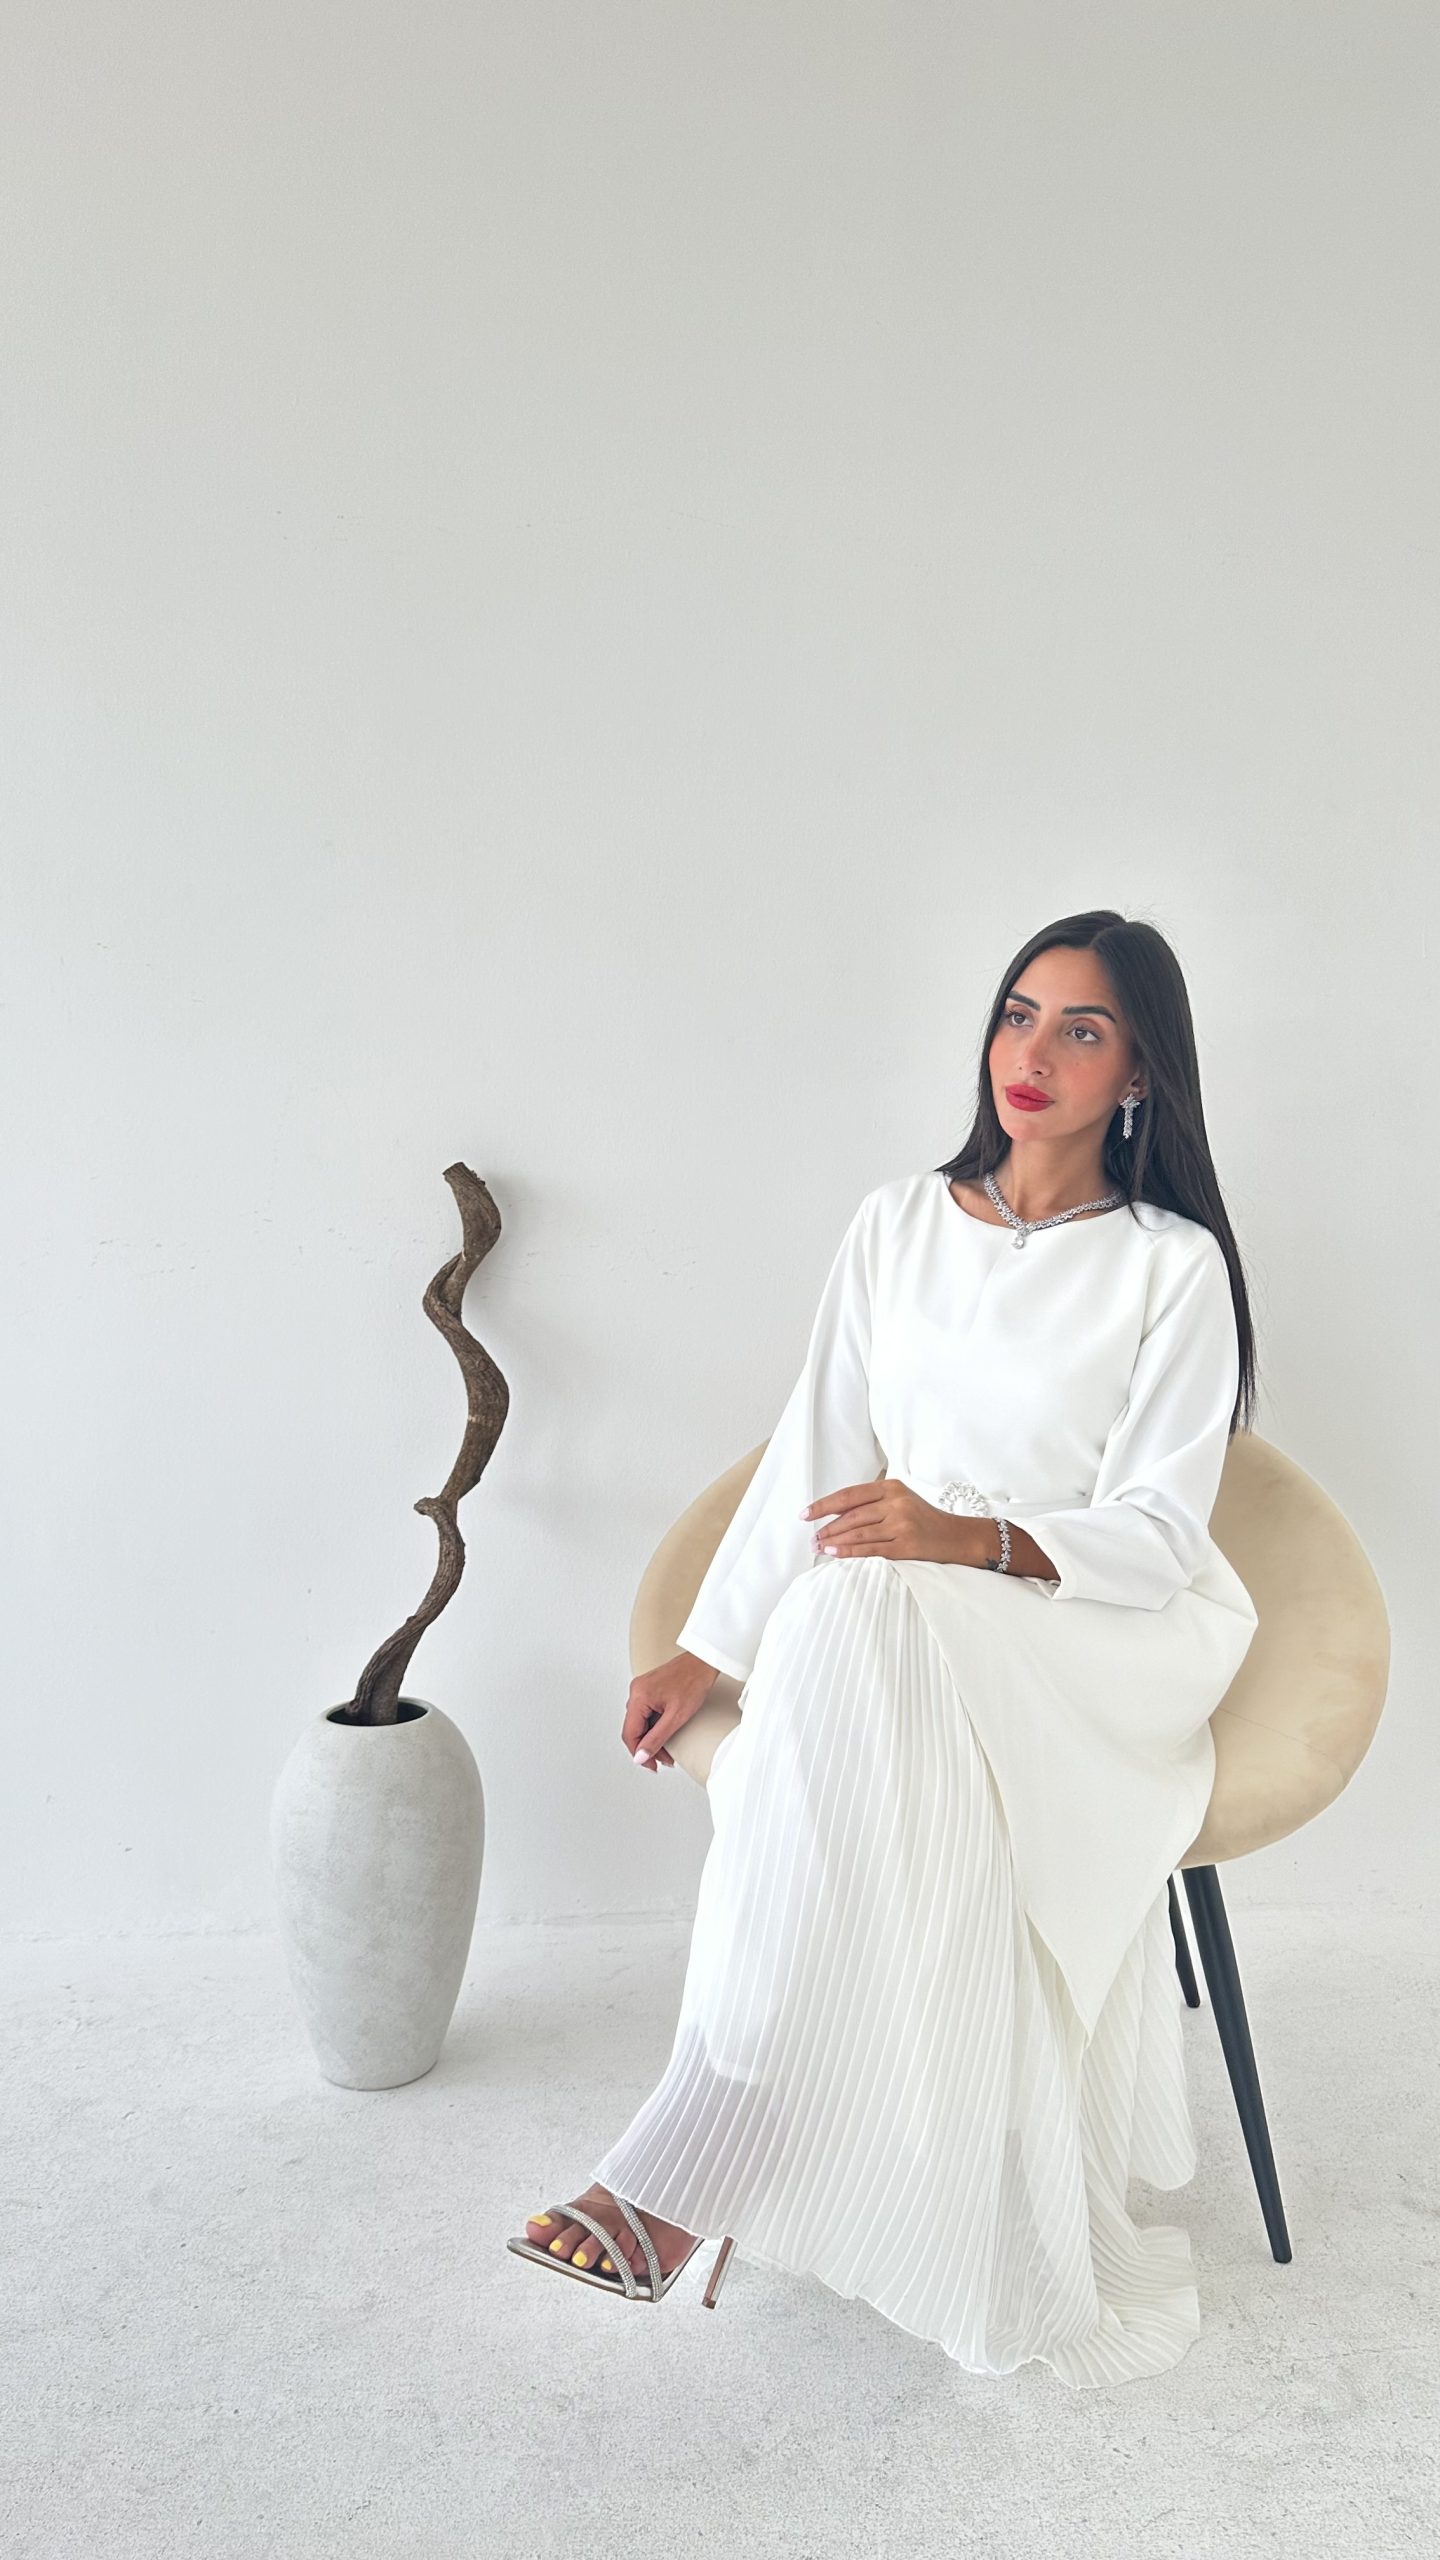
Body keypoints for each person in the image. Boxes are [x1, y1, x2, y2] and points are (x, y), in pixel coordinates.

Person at [508, 908, 1261, 2387]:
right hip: (892, 1608)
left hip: (1086, 1622)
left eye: (1083, 1030)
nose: (1032, 1053)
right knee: (854, 1612)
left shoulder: (1171, 1267)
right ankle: (732, 2135)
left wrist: (969, 1539)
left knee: (861, 1607)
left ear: (1141, 1076)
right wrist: (712, 1649)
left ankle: (704, 2147)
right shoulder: (897, 1223)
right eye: (1018, 1014)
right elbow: (819, 1452)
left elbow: (1162, 1531)